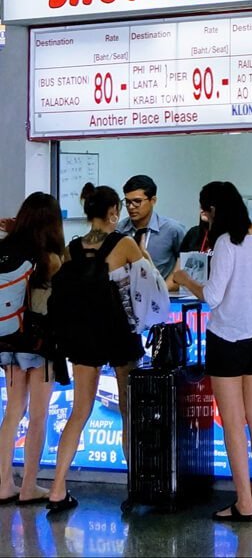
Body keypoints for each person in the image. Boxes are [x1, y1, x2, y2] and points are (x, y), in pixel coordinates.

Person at [172, 181, 252, 522]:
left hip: (226, 338)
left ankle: (243, 501)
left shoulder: (226, 243)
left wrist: (184, 279)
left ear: (213, 211)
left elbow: (212, 297)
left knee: (234, 423)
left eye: (205, 212)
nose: (204, 218)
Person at [46, 184, 150, 514]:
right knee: (128, 411)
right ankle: (135, 489)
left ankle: (58, 488)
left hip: (82, 337)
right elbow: (153, 279)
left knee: (79, 412)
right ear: (112, 212)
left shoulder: (72, 248)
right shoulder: (125, 243)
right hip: (119, 332)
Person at [0, 193, 65, 506]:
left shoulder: (5, 249)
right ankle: (28, 486)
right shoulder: (50, 257)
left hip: (7, 342)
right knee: (38, 416)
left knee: (12, 412)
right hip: (40, 347)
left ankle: (3, 485)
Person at [116, 174, 187, 279]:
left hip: (164, 292)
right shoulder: (119, 231)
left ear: (153, 200)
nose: (131, 207)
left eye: (137, 202)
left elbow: (186, 265)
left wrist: (162, 291)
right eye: (127, 202)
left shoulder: (173, 230)